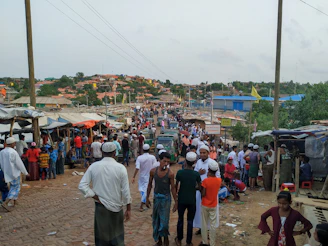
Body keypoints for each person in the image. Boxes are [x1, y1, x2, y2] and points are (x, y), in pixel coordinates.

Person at [79, 142, 132, 246]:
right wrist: (128, 208)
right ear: (114, 153)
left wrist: (94, 196)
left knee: (101, 238)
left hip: (101, 207)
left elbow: (82, 185)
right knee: (117, 238)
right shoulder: (121, 168)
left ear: (102, 152)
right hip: (117, 208)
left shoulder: (94, 166)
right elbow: (126, 191)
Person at [146, 151, 177, 246]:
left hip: (166, 199)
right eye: (164, 161)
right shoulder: (153, 171)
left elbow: (172, 188)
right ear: (159, 160)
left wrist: (176, 202)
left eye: (168, 162)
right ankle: (159, 240)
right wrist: (146, 198)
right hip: (156, 198)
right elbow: (150, 185)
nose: (166, 164)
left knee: (164, 222)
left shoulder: (170, 174)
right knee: (156, 220)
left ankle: (166, 239)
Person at [175, 152, 201, 246]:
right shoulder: (196, 174)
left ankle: (179, 239)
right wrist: (193, 187)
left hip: (181, 199)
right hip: (191, 200)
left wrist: (176, 198)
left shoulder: (180, 173)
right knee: (190, 221)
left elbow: (176, 186)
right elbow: (199, 187)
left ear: (185, 160)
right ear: (194, 162)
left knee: (180, 219)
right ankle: (188, 242)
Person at [193, 145, 220, 235]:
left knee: (210, 212)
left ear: (208, 153)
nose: (202, 154)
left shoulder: (213, 163)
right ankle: (201, 228)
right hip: (199, 190)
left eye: (204, 152)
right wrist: (198, 173)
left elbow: (218, 176)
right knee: (200, 210)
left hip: (210, 192)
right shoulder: (198, 163)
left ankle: (209, 230)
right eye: (201, 153)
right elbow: (194, 175)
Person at [0, 137, 29, 212]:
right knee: (15, 187)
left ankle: (15, 201)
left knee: (14, 186)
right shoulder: (13, 152)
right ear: (12, 143)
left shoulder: (2, 152)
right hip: (14, 173)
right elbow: (19, 164)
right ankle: (6, 202)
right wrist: (25, 172)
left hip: (6, 172)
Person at [200, 161, 222, 246]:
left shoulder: (205, 181)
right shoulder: (219, 180)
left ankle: (205, 242)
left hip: (205, 204)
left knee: (204, 224)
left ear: (208, 169)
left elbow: (203, 194)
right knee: (213, 225)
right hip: (214, 205)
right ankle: (212, 243)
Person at [132, 144, 157, 212]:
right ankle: (146, 200)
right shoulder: (152, 157)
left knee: (143, 190)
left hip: (142, 176)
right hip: (151, 176)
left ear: (142, 150)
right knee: (147, 189)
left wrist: (133, 176)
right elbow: (155, 166)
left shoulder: (139, 158)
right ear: (149, 150)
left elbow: (137, 168)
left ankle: (142, 205)